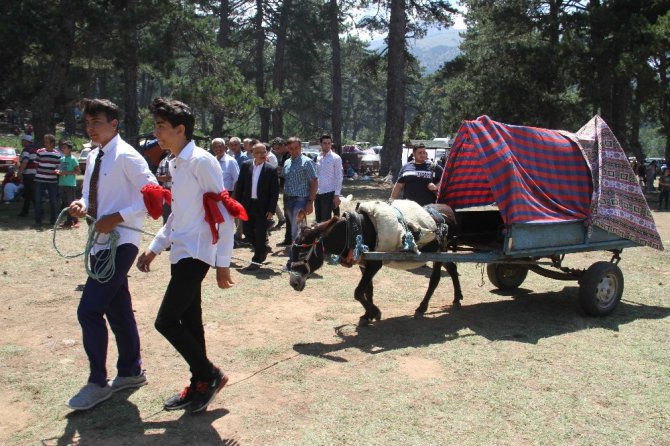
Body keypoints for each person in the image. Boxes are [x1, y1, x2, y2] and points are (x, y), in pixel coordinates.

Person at [136, 97, 240, 413]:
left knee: (166, 321)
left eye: (161, 127)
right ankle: (200, 383)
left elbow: (224, 211)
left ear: (180, 129)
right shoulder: (174, 162)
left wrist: (222, 264)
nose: (156, 133)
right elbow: (176, 214)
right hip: (180, 251)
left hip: (199, 252)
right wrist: (155, 249)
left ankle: (210, 375)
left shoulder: (202, 161)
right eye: (155, 126)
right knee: (190, 321)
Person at [66, 98, 157, 411]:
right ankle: (131, 371)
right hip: (99, 243)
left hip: (122, 243)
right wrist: (82, 204)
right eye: (88, 123)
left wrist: (117, 217)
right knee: (118, 309)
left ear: (114, 124)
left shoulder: (128, 156)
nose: (91, 128)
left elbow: (154, 194)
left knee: (88, 311)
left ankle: (97, 382)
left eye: (97, 122)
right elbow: (92, 193)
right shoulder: (93, 155)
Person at [234, 142, 279, 270]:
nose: (261, 155)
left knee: (260, 233)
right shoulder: (245, 165)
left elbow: (274, 192)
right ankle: (263, 248)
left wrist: (271, 210)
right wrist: (237, 204)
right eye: (258, 152)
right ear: (252, 153)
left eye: (263, 152)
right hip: (247, 205)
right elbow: (240, 186)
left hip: (262, 207)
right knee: (247, 232)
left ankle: (256, 260)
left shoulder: (270, 169)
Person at [281, 137, 318, 244]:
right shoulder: (287, 162)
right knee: (295, 226)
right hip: (288, 198)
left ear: (300, 147)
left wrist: (310, 202)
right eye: (291, 148)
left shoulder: (307, 162)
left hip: (301, 199)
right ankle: (299, 247)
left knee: (296, 227)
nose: (294, 150)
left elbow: (314, 182)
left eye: (296, 148)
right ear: (288, 148)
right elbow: (284, 177)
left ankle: (296, 251)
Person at [34, 134, 62, 228]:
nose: (45, 143)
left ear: (52, 143)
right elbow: (36, 164)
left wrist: (57, 171)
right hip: (39, 179)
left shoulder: (57, 154)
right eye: (44, 142)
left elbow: (59, 167)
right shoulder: (40, 152)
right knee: (37, 200)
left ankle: (53, 220)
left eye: (47, 142)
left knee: (53, 201)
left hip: (52, 181)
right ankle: (38, 220)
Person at [315, 134, 343, 223]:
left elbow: (339, 177)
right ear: (320, 144)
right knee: (318, 219)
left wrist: (337, 195)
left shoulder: (336, 158)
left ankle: (325, 237)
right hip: (318, 193)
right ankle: (319, 237)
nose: (327, 145)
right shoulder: (318, 157)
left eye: (329, 143)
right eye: (324, 143)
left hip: (329, 193)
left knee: (325, 221)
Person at [56, 139, 80, 228]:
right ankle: (68, 221)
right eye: (62, 147)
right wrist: (58, 171)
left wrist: (67, 173)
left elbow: (78, 171)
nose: (63, 149)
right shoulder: (62, 159)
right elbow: (62, 170)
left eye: (64, 147)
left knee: (72, 203)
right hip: (62, 183)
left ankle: (76, 220)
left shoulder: (73, 159)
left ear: (69, 149)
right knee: (65, 203)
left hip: (70, 184)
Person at [17, 134, 37, 217]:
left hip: (28, 174)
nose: (22, 142)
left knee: (30, 193)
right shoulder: (34, 149)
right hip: (34, 174)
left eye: (23, 141)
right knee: (29, 193)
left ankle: (37, 210)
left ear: (26, 141)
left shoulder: (26, 150)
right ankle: (25, 211)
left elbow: (25, 161)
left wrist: (19, 172)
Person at [155, 149, 174, 224]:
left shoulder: (181, 160)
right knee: (166, 214)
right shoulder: (163, 161)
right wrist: (163, 178)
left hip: (179, 191)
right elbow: (157, 176)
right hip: (166, 191)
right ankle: (166, 234)